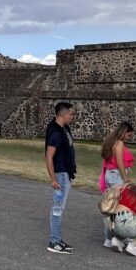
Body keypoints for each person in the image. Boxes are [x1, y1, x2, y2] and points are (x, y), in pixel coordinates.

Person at [45, 102, 76, 254]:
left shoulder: (63, 128)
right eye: (71, 114)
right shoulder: (55, 133)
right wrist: (53, 179)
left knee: (60, 208)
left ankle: (57, 239)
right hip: (60, 175)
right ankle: (54, 242)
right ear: (64, 115)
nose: (72, 117)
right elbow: (49, 157)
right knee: (57, 209)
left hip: (66, 174)